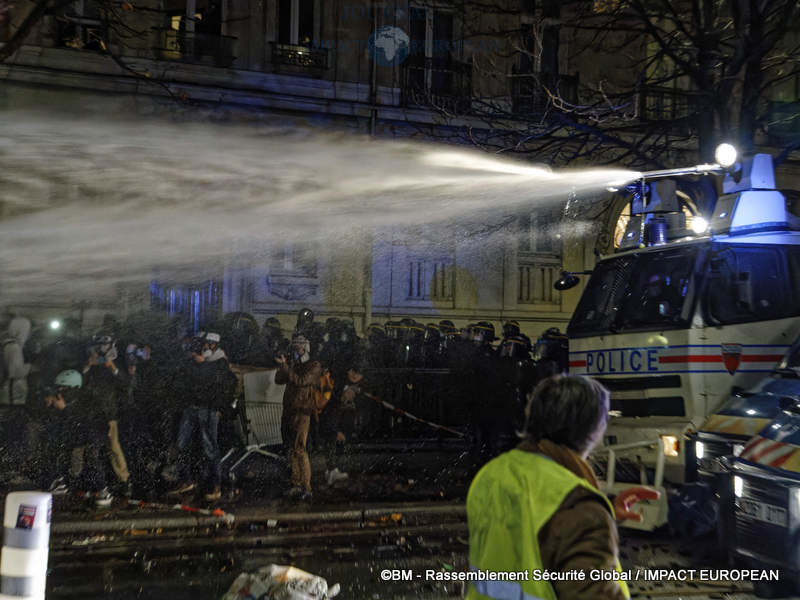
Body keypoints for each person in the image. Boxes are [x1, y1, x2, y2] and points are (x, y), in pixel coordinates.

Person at [466, 375, 659, 599]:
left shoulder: (493, 473)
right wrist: (592, 517)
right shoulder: (576, 504)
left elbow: (522, 536)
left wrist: (604, 514)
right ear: (593, 430)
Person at [83, 333, 132, 501]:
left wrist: (112, 368)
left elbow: (126, 383)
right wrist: (89, 365)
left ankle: (124, 480)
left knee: (114, 448)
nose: (102, 349)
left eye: (105, 345)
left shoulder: (117, 362)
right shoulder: (92, 361)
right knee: (92, 449)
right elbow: (82, 381)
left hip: (109, 413)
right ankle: (95, 483)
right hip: (92, 411)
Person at [275, 334, 321, 501]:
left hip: (302, 412)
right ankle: (296, 483)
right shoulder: (294, 365)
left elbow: (302, 381)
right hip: (289, 410)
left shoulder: (314, 365)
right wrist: (284, 366)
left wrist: (288, 368)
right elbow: (278, 380)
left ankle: (306, 486)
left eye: (299, 347)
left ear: (305, 347)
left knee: (300, 448)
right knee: (291, 449)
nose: (296, 349)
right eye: (295, 346)